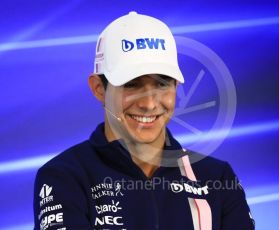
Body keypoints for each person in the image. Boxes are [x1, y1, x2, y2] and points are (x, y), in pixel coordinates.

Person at [33, 11, 255, 230]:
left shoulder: (218, 177)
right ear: (99, 88)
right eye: (132, 84)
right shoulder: (64, 176)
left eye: (162, 83)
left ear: (176, 87)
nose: (149, 103)